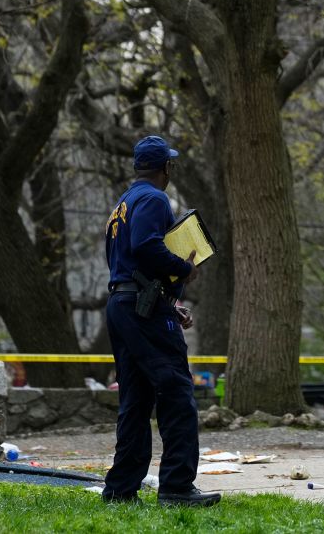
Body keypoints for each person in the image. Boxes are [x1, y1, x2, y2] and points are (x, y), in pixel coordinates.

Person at [100, 135, 220, 507]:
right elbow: (147, 247)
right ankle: (176, 487)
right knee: (177, 394)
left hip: (124, 304)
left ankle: (121, 490)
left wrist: (169, 303)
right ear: (166, 167)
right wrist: (184, 267)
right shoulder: (153, 198)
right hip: (142, 307)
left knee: (136, 400)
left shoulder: (124, 202)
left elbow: (128, 260)